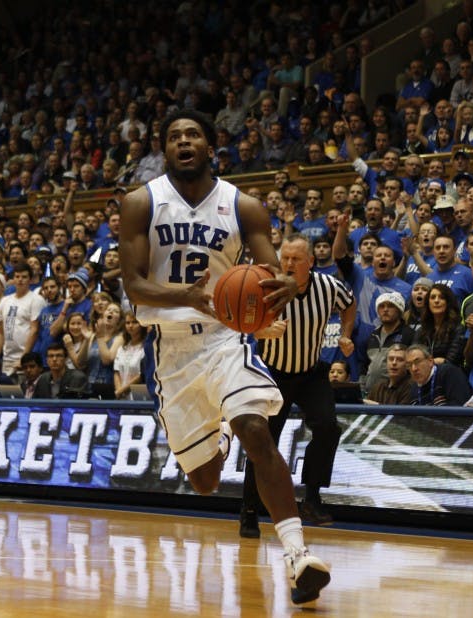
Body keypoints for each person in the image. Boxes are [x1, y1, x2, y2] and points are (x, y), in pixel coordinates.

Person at [118, 110, 329, 604]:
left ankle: (298, 557)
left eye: (193, 134)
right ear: (163, 149)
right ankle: (220, 432)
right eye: (173, 136)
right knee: (206, 481)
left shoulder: (244, 205)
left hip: (222, 337)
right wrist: (183, 297)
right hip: (170, 350)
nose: (183, 142)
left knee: (256, 427)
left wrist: (281, 288)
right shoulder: (140, 203)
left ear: (211, 146)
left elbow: (270, 272)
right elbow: (133, 285)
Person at [241, 233, 355, 534]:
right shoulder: (267, 288)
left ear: (311, 262)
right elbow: (244, 326)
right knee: (262, 443)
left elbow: (350, 303)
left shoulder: (328, 286)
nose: (289, 264)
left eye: (295, 259)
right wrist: (262, 331)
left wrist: (346, 333)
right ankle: (250, 510)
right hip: (273, 374)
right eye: (285, 258)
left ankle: (312, 497)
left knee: (328, 427)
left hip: (310, 373)